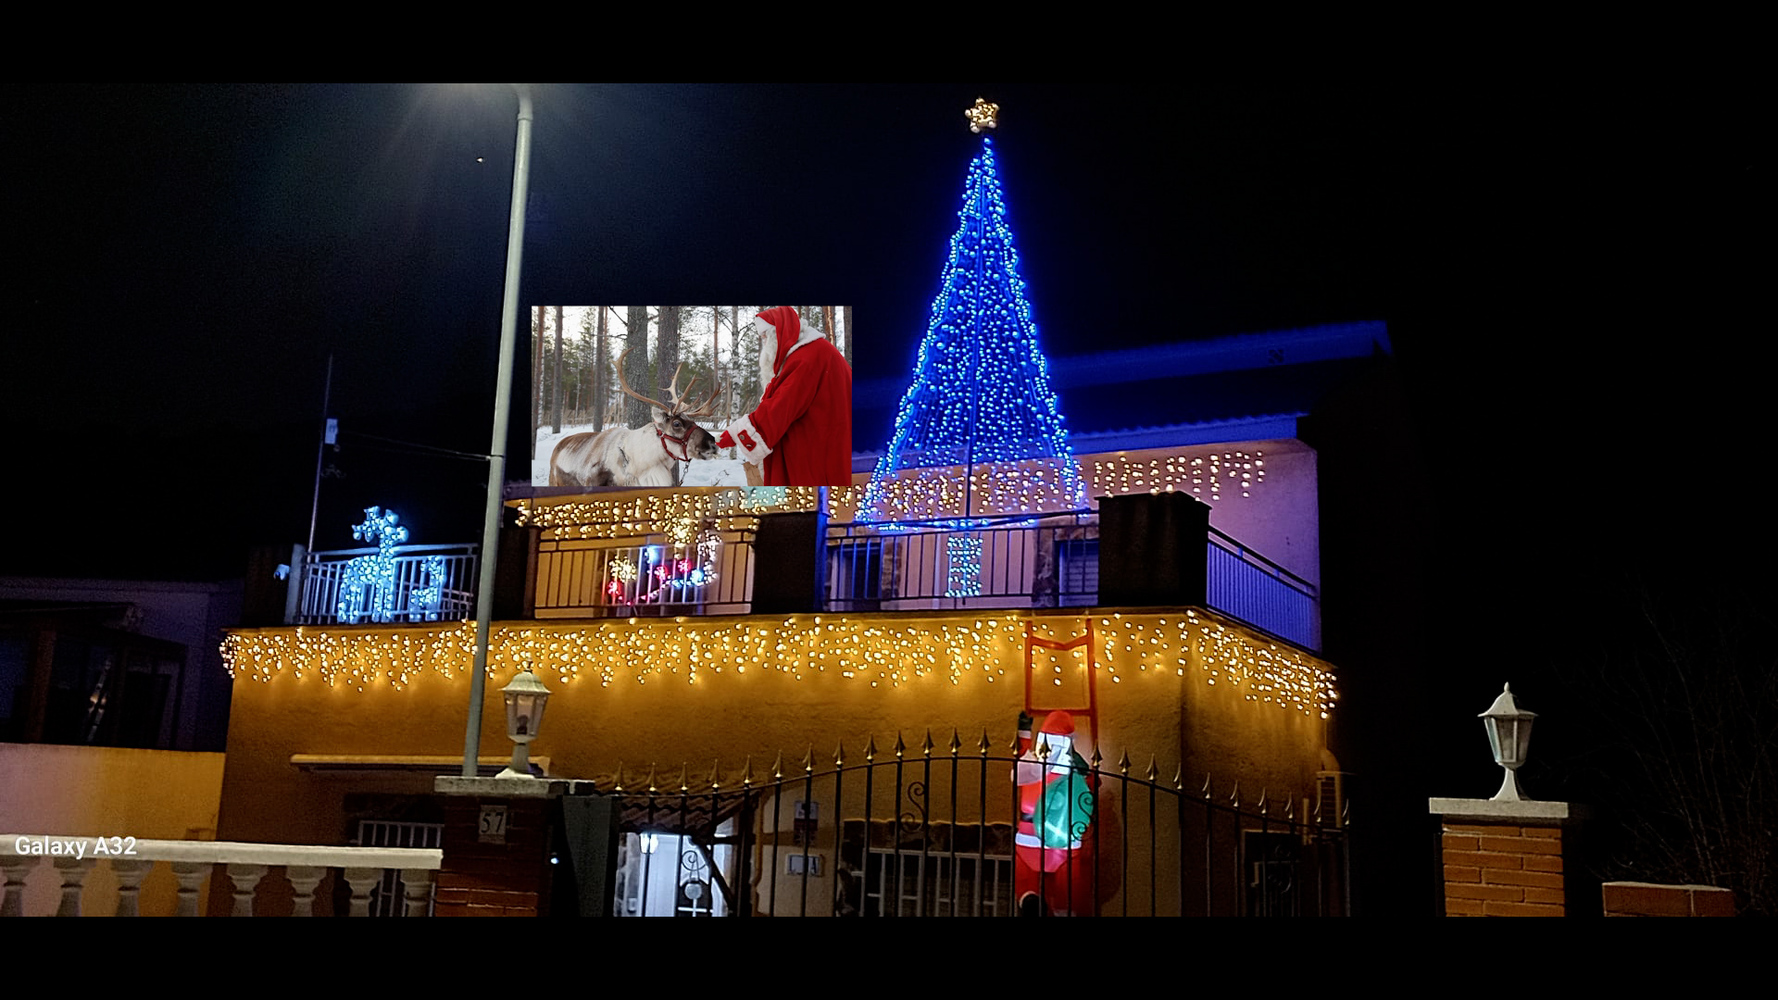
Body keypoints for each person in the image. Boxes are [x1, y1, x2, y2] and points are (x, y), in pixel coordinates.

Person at [717, 307, 852, 487]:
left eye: (765, 336)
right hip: (825, 441)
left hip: (816, 450)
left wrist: (733, 435)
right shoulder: (814, 351)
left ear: (778, 333)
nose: (764, 343)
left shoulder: (807, 357)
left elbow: (779, 409)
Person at [1014, 710, 1099, 916]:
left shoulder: (1039, 768)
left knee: (1061, 888)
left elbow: (1089, 792)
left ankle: (1046, 904)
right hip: (1043, 840)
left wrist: (1024, 732)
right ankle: (1043, 904)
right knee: (1055, 888)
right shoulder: (1036, 768)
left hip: (1055, 841)